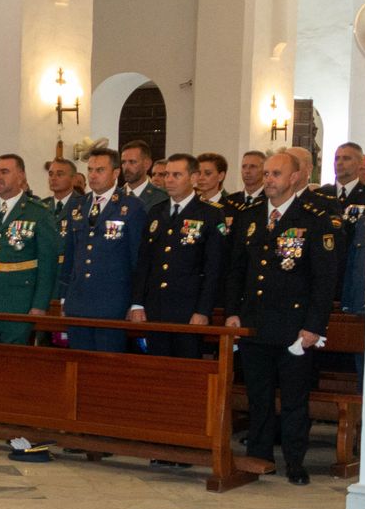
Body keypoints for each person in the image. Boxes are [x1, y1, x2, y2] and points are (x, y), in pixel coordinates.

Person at [224, 150, 342, 485]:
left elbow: (324, 280)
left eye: (276, 174)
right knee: (258, 397)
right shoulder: (250, 217)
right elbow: (235, 271)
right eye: (266, 174)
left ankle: (294, 461)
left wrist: (314, 327)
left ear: (294, 178)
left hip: (294, 327)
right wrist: (233, 312)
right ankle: (259, 457)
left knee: (293, 400)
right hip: (255, 323)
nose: (269, 180)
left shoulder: (314, 218)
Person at [128, 153, 228, 358]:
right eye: (167, 175)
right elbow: (144, 261)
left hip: (188, 308)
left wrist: (202, 310)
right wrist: (138, 302)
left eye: (176, 175)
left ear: (193, 178)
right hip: (156, 306)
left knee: (186, 368)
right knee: (157, 366)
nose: (169, 180)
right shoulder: (157, 212)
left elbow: (213, 268)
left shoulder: (209, 214)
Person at [0, 155, 58, 344]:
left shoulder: (38, 212)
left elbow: (48, 264)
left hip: (18, 302)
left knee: (12, 364)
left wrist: (39, 304)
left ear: (21, 176)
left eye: (5, 172)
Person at [58, 148, 144, 352]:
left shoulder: (131, 207)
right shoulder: (78, 206)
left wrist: (136, 302)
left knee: (106, 364)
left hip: (112, 301)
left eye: (100, 170)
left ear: (115, 173)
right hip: (78, 300)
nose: (93, 175)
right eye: (90, 170)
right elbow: (70, 253)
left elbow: (137, 259)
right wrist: (64, 296)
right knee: (78, 363)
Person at [120, 140, 168, 211]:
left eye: (132, 162)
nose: (126, 167)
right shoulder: (114, 197)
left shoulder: (161, 198)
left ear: (147, 164)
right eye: (123, 162)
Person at [225, 151, 266, 215]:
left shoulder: (271, 200)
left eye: (253, 167)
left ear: (264, 170)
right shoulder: (229, 201)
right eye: (244, 167)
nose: (247, 171)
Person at [45, 158, 80, 228]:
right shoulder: (42, 206)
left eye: (59, 174)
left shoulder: (83, 205)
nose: (53, 178)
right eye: (51, 174)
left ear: (73, 179)